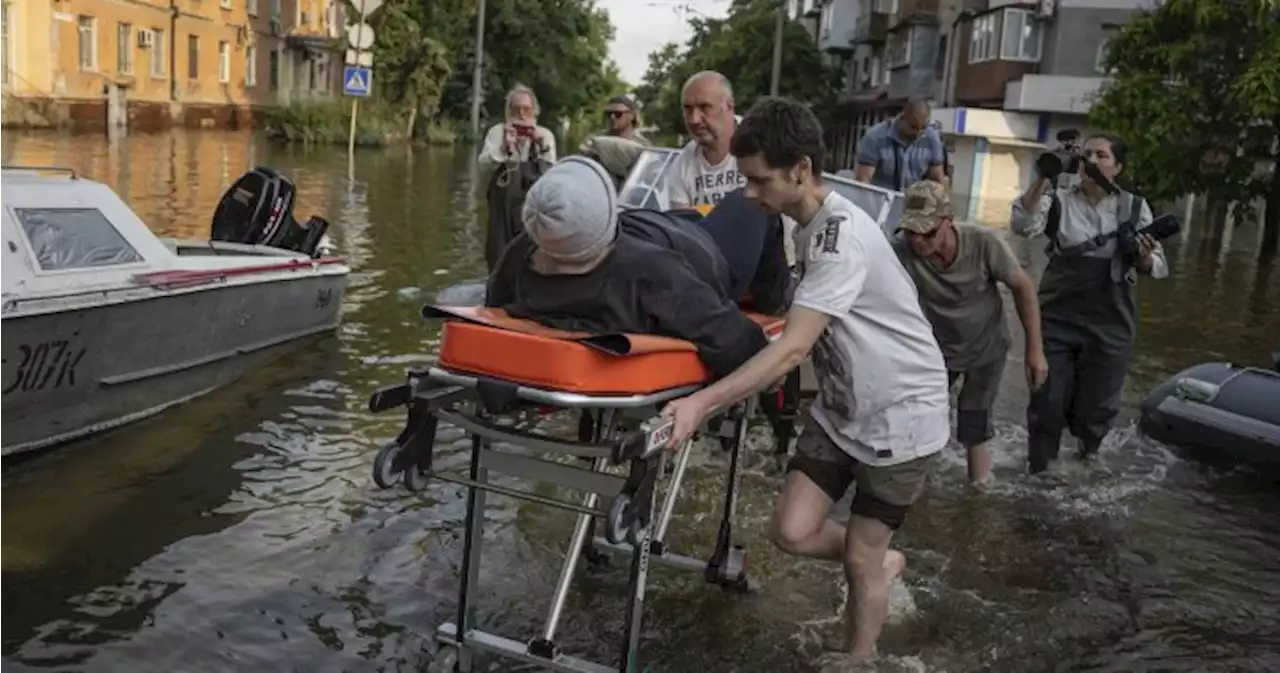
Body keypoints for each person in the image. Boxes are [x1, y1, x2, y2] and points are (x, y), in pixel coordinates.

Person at [661, 97, 951, 665]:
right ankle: (881, 562)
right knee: (791, 532)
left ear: (800, 169)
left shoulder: (839, 237)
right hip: (843, 408)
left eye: (757, 180)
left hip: (902, 415)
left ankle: (859, 658)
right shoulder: (802, 222)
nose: (747, 194)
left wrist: (701, 405)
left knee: (860, 560)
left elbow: (794, 348)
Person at [485, 155, 769, 377]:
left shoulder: (522, 252)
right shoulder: (648, 272)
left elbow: (494, 304)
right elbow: (736, 342)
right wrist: (775, 359)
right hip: (710, 254)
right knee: (751, 199)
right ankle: (779, 297)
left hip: (664, 230)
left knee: (689, 214)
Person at [1010, 133, 1168, 474]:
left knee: (1095, 410)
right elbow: (1023, 225)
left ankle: (1085, 467)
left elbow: (1158, 266)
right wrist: (1044, 175)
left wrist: (1141, 258)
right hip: (1057, 318)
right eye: (1087, 155)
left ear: (1118, 167)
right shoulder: (1059, 200)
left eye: (1101, 155)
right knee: (1047, 401)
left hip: (1111, 321)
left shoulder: (1136, 207)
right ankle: (1039, 474)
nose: (1092, 161)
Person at [892, 179, 1049, 485]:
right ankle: (914, 488)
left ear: (947, 223)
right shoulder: (900, 251)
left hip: (986, 347)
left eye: (926, 233)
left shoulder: (983, 242)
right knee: (917, 417)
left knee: (974, 421)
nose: (918, 241)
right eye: (911, 232)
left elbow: (1023, 286)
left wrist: (1035, 350)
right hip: (936, 350)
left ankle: (978, 489)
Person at [477, 84, 558, 273]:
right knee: (497, 248)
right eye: (516, 109)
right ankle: (496, 287)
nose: (521, 114)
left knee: (530, 249)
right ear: (508, 111)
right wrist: (504, 148)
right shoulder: (497, 132)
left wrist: (542, 147)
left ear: (534, 112)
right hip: (502, 204)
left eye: (526, 109)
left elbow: (553, 176)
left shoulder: (545, 135)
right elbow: (483, 165)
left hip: (531, 204)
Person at [852, 99, 948, 192]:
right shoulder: (876, 136)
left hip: (912, 203)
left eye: (923, 128)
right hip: (879, 202)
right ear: (902, 118)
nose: (919, 133)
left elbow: (937, 181)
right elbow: (863, 181)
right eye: (913, 127)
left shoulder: (932, 139)